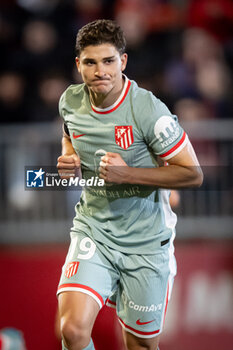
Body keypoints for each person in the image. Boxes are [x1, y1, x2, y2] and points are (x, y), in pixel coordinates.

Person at [56, 19, 203, 350]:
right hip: (94, 229)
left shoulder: (149, 111)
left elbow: (193, 174)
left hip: (146, 243)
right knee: (72, 330)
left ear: (123, 61)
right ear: (79, 65)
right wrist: (69, 157)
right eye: (91, 62)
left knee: (140, 346)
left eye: (109, 61)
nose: (100, 71)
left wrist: (129, 174)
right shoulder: (70, 101)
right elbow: (69, 134)